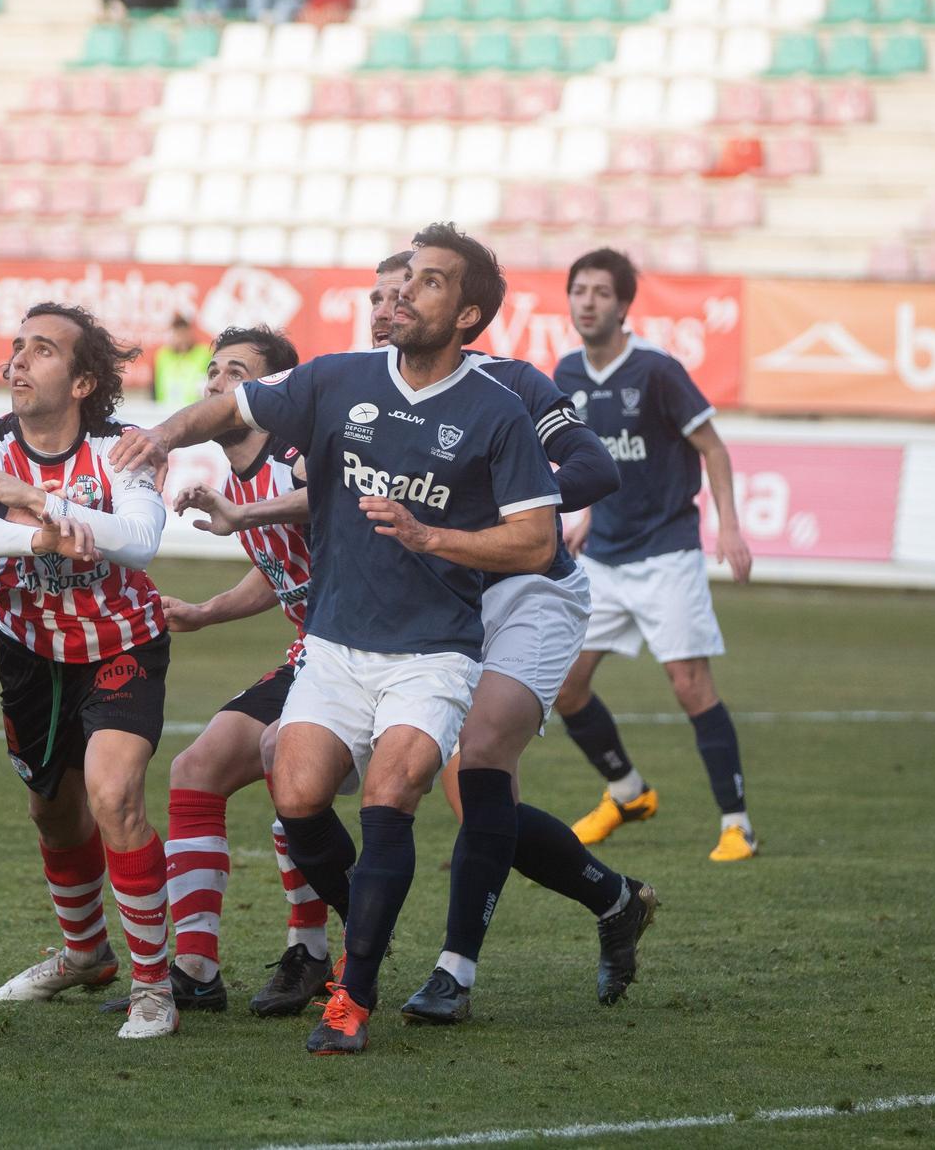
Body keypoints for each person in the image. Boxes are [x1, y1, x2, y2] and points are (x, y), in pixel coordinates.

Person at [110, 232, 565, 1057]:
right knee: (297, 795)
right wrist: (167, 433)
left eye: (430, 285)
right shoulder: (338, 379)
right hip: (335, 645)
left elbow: (536, 542)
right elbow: (233, 408)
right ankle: (362, 935)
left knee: (390, 796)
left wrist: (434, 538)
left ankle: (350, 994)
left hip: (434, 650)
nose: (405, 295)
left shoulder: (497, 412)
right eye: (405, 280)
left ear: (465, 314)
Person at [191, 247, 659, 1025]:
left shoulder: (508, 386)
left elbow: (592, 470)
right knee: (413, 786)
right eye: (382, 293)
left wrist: (482, 507)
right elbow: (341, 496)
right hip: (440, 590)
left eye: (411, 289)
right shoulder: (363, 388)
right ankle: (613, 899)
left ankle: (453, 972)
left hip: (527, 591)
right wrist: (248, 514)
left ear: (457, 310)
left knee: (477, 761)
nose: (391, 303)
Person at [0, 304, 181, 1041]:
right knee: (51, 811)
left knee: (113, 795)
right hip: (29, 652)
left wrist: (37, 501)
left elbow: (137, 543)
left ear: (81, 382)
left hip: (121, 646)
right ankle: (84, 955)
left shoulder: (122, 447)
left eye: (41, 351)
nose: (18, 361)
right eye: (16, 347)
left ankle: (154, 986)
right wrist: (46, 533)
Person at [138, 326, 336, 1019]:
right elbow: (277, 568)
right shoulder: (234, 472)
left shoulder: (300, 454)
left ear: (270, 393)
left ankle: (311, 950)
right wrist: (206, 611)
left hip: (364, 655)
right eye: (215, 371)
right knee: (196, 769)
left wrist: (244, 513)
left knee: (289, 767)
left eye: (236, 374)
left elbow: (331, 502)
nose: (217, 384)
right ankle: (193, 967)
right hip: (309, 651)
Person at [551, 249, 759, 862]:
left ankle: (737, 823)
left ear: (623, 306)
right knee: (564, 686)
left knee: (689, 684)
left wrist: (729, 528)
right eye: (578, 290)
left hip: (667, 552)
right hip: (603, 559)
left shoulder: (658, 371)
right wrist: (586, 515)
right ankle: (627, 791)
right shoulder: (564, 375)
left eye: (600, 292)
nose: (587, 302)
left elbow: (713, 450)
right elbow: (589, 460)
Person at [152, 315, 210, 408]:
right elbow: (155, 386)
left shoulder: (203, 353)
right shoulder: (163, 355)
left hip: (194, 411)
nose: (181, 336)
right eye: (177, 332)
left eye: (184, 331)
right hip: (165, 411)